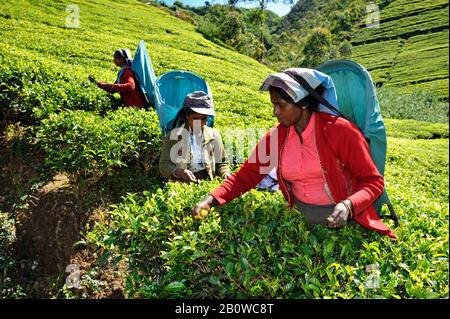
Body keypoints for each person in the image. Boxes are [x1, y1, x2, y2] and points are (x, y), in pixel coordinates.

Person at [192, 68, 396, 239]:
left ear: (304, 103)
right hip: (300, 218)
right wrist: (211, 199)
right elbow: (247, 176)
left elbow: (373, 181)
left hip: (344, 221)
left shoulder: (340, 131)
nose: (275, 112)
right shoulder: (277, 136)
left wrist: (349, 205)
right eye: (273, 105)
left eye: (281, 105)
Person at [159, 91, 232, 183]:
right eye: (196, 118)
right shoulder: (173, 136)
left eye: (204, 119)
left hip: (207, 183)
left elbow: (221, 162)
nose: (200, 123)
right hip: (181, 185)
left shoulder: (214, 136)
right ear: (187, 116)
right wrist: (179, 172)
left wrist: (226, 174)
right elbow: (164, 164)